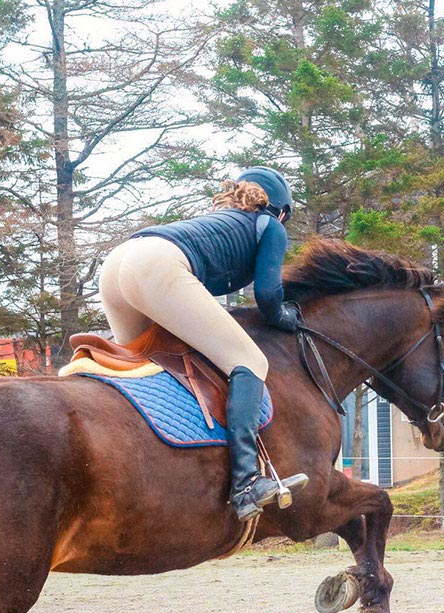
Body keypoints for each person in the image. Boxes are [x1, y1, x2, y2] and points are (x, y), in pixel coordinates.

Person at [98, 166, 307, 521]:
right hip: (155, 265)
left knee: (144, 370)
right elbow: (269, 296)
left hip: (117, 265)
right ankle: (245, 483)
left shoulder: (221, 220)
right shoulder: (269, 225)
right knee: (251, 363)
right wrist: (289, 318)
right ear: (282, 210)